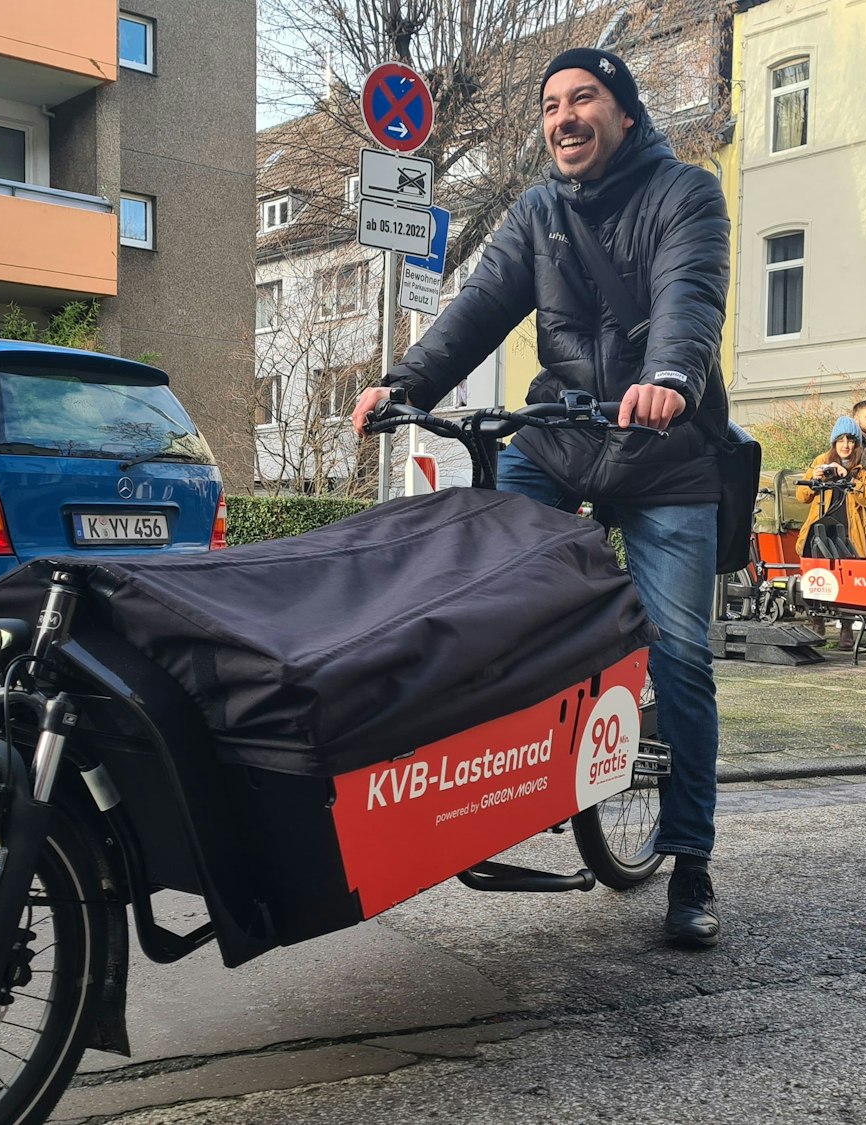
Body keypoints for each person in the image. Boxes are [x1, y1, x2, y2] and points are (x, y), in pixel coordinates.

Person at [351, 47, 729, 949]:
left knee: (677, 648)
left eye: (584, 99)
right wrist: (405, 385)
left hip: (665, 448)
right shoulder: (536, 211)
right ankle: (497, 779)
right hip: (564, 437)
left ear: (624, 115)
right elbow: (479, 307)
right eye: (553, 103)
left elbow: (691, 295)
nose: (564, 116)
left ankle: (690, 856)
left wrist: (671, 374)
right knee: (475, 581)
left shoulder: (687, 195)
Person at [795, 417, 866, 558]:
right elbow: (801, 496)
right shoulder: (822, 461)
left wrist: (848, 478)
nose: (845, 445)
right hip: (823, 535)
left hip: (855, 539)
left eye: (850, 440)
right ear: (834, 443)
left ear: (857, 443)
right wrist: (813, 481)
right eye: (840, 440)